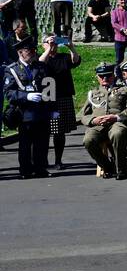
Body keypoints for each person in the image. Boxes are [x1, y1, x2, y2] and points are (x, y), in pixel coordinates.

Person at [3, 38, 53, 178]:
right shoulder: (12, 70)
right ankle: (25, 170)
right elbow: (9, 93)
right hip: (25, 112)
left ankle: (40, 168)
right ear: (20, 52)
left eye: (33, 50)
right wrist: (27, 96)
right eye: (28, 50)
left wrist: (53, 108)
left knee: (42, 142)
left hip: (42, 111)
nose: (32, 52)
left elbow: (50, 87)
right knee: (25, 144)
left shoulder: (40, 67)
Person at [34, 34, 81, 171]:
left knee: (59, 132)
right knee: (43, 131)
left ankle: (58, 160)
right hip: (47, 98)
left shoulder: (64, 57)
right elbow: (39, 64)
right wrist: (49, 49)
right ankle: (41, 160)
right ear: (43, 44)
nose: (53, 45)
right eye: (48, 42)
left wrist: (70, 46)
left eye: (54, 42)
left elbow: (76, 61)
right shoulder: (40, 57)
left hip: (63, 96)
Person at [81, 61, 127, 179]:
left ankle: (121, 168)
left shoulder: (124, 90)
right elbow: (83, 115)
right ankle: (107, 165)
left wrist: (116, 117)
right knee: (88, 140)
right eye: (101, 76)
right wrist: (94, 120)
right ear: (97, 77)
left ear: (113, 75)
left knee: (117, 133)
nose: (105, 78)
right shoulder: (92, 93)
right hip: (98, 125)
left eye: (108, 75)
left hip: (117, 123)